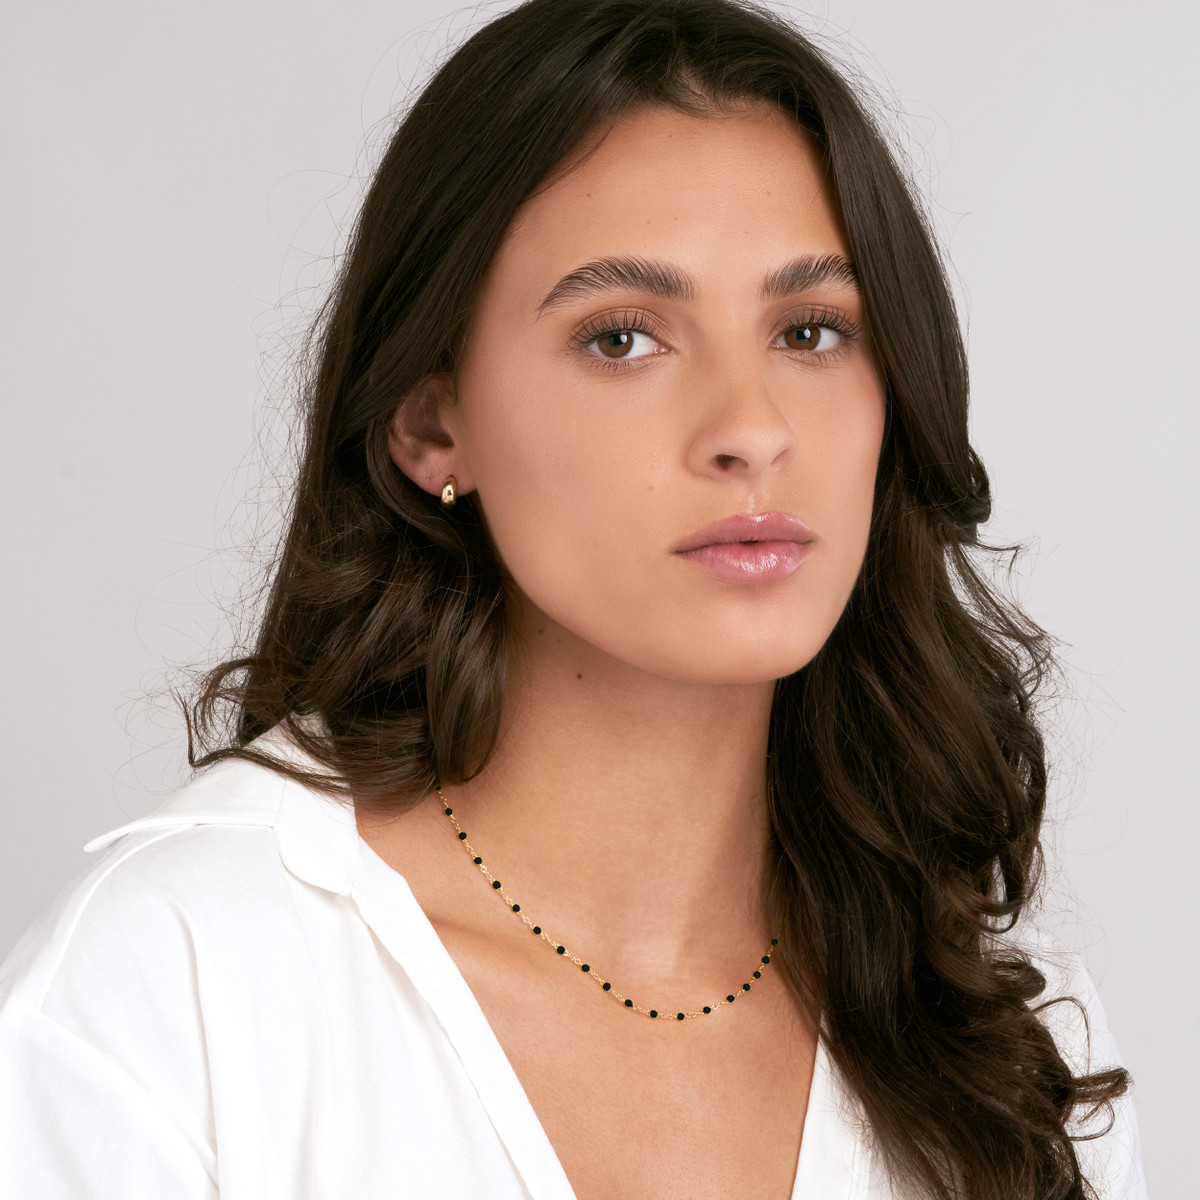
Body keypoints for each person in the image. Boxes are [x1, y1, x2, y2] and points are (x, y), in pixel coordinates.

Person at [0, 0, 1148, 1196]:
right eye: (622, 340)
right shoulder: (171, 999)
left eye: (811, 331)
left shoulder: (1008, 1043)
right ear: (430, 422)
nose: (752, 428)